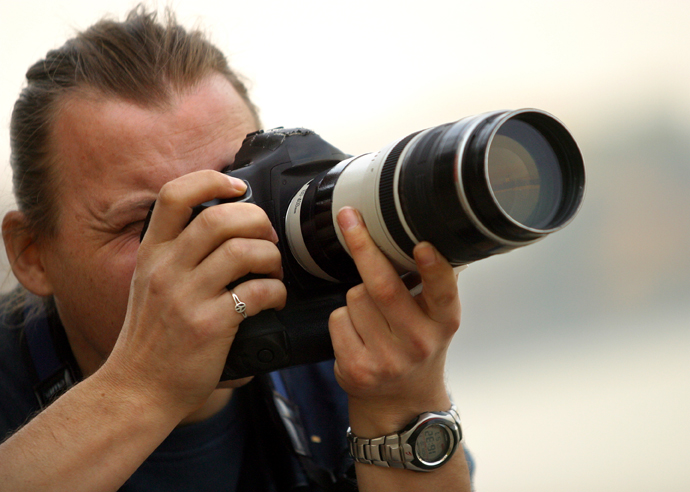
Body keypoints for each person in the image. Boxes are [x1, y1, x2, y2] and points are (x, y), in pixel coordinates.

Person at [0, 7, 472, 491]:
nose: (216, 241)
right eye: (145, 221)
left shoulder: (345, 351)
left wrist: (401, 408)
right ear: (32, 254)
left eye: (235, 195)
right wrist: (146, 385)